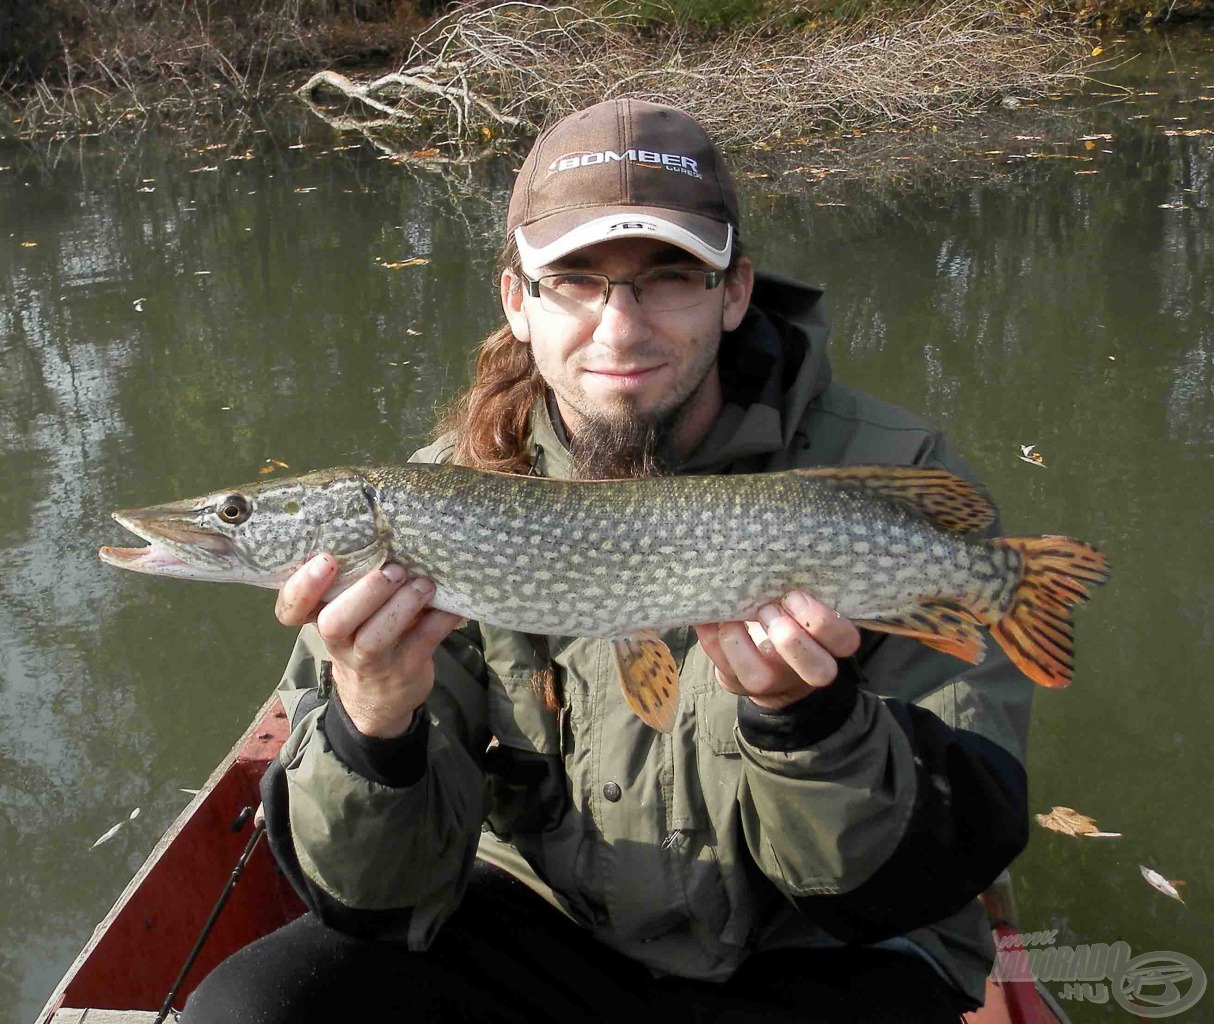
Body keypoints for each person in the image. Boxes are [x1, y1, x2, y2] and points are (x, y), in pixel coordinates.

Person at [183, 99, 1031, 1023]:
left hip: (820, 947)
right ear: (518, 301)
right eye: (576, 282)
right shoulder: (443, 498)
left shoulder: (894, 472)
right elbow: (370, 896)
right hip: (550, 925)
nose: (620, 330)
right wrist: (372, 722)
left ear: (734, 290)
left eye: (668, 278)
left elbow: (942, 860)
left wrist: (809, 724)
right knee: (252, 1009)